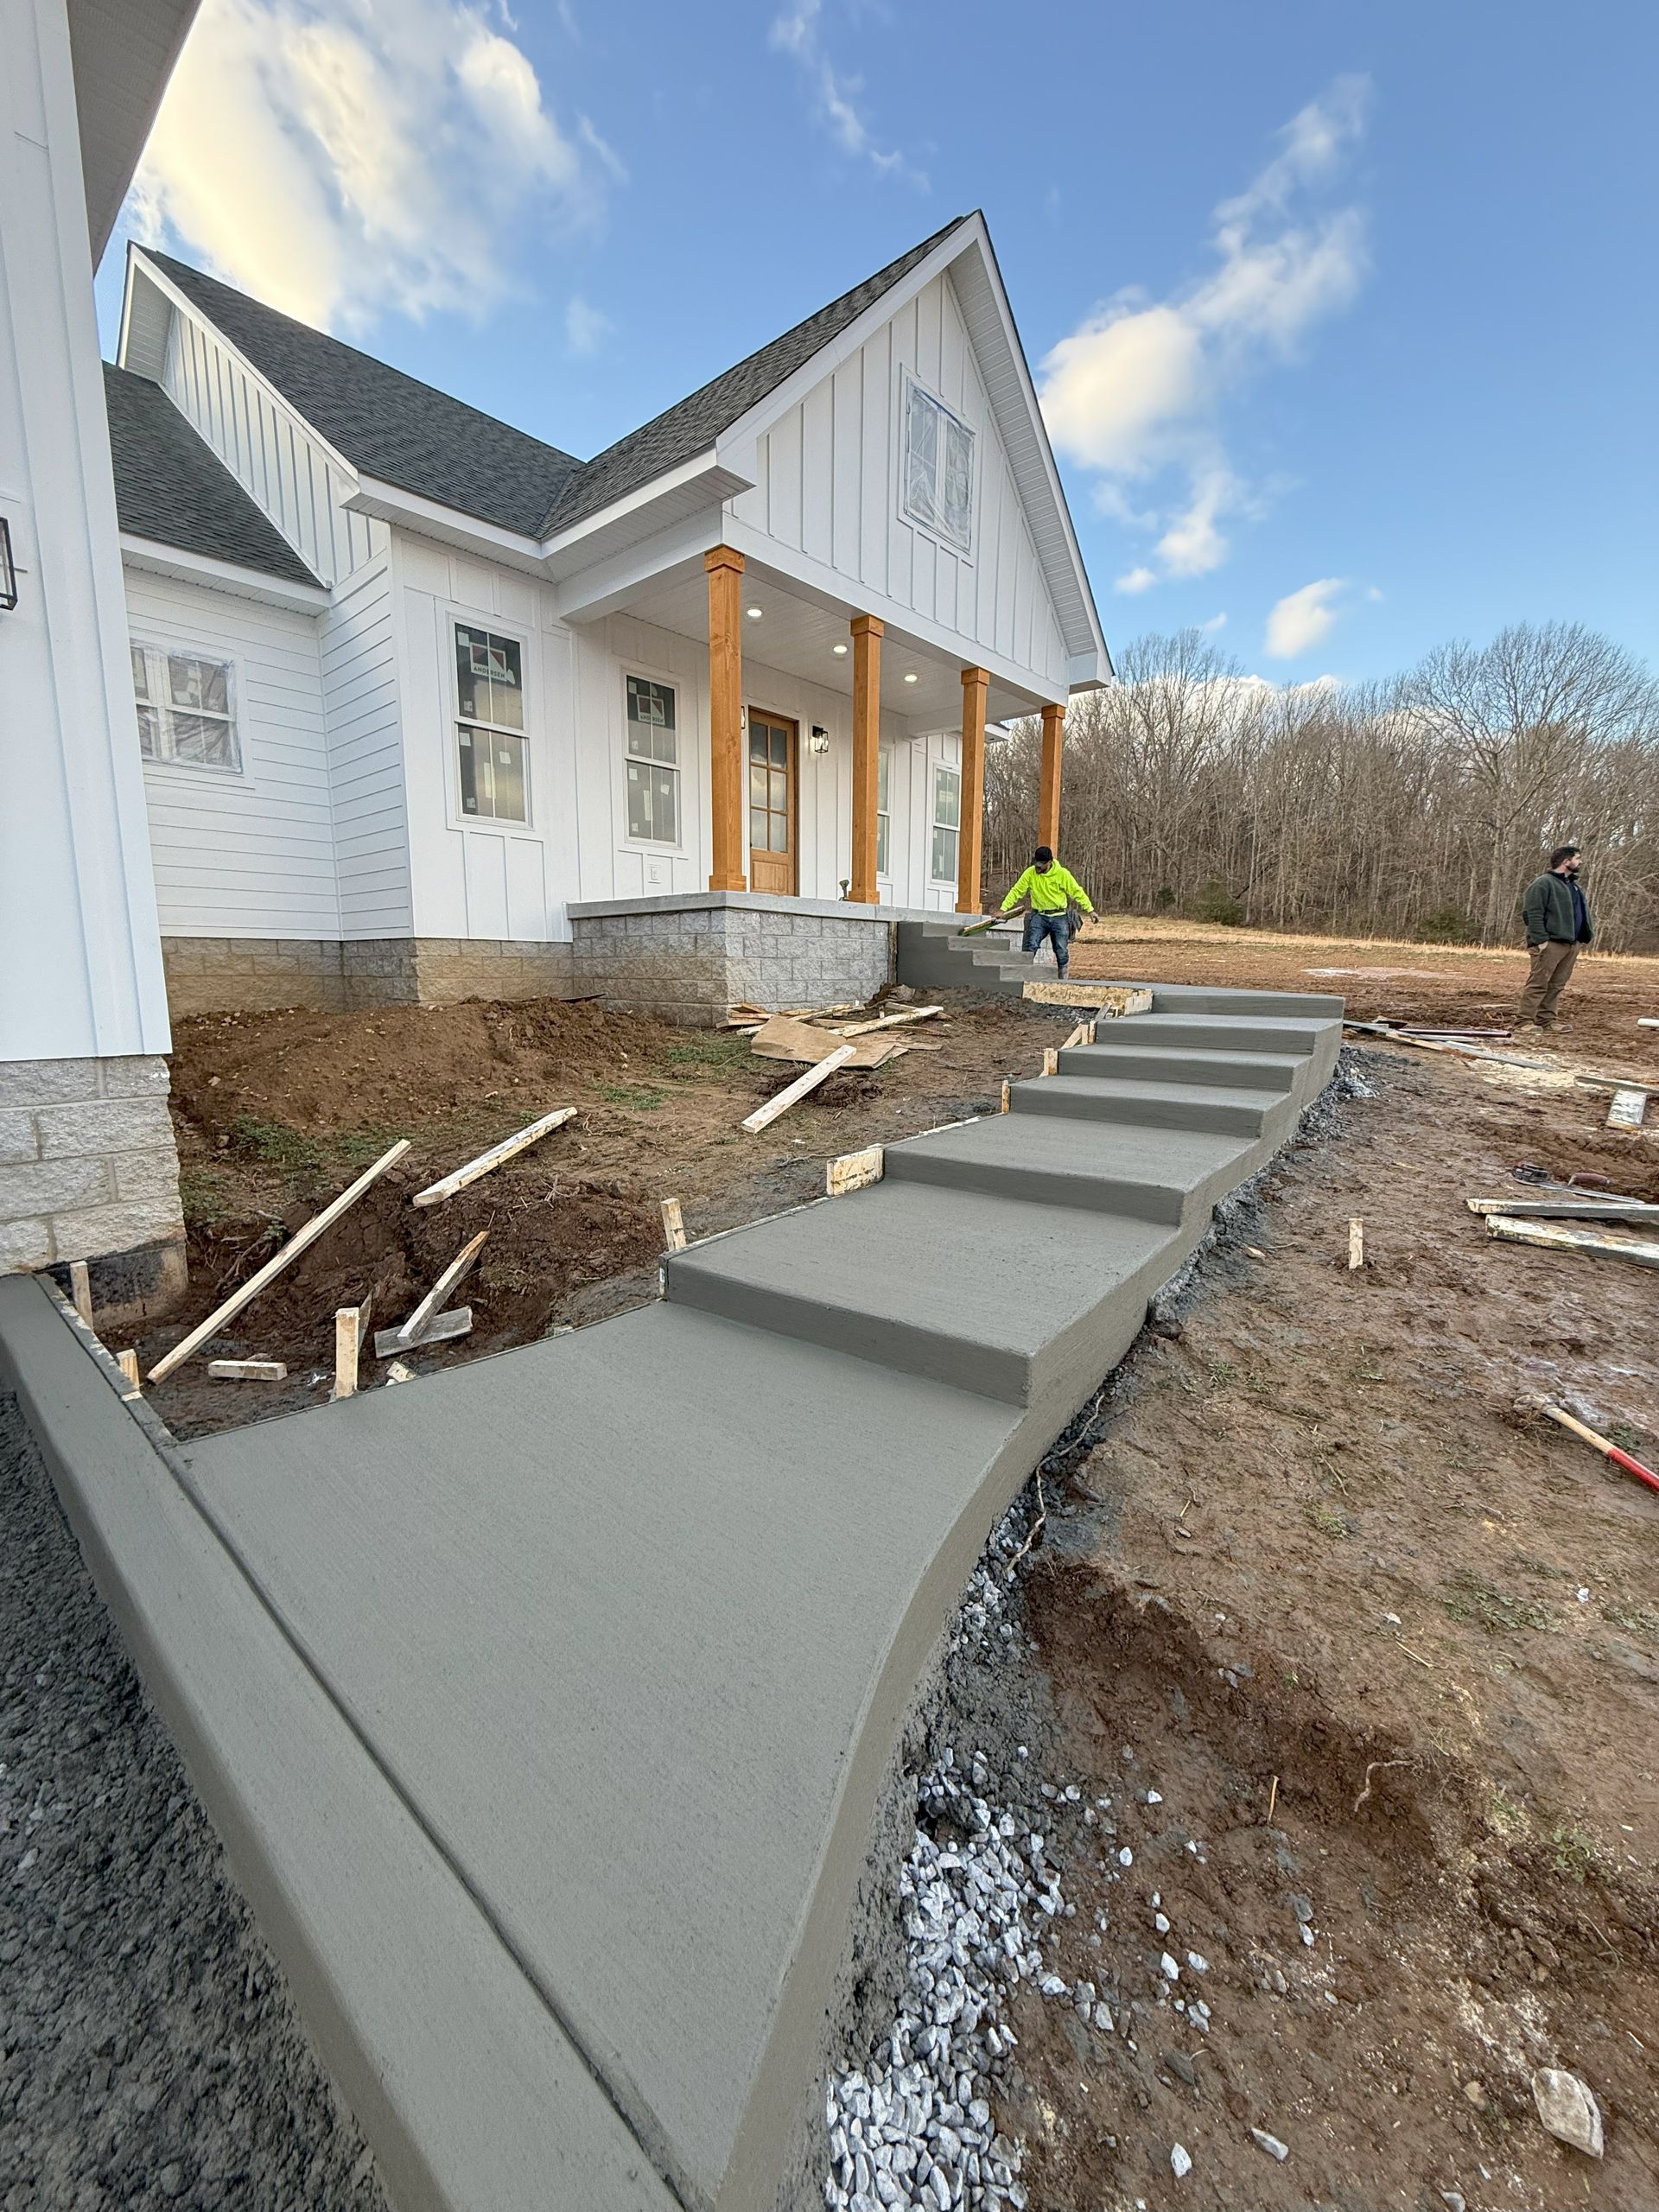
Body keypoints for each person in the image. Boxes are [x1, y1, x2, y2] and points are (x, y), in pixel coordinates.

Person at [1518, 843, 1593, 1029]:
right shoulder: (1543, 883)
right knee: (1538, 983)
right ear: (1566, 861)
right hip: (1550, 943)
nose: (1580, 861)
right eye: (1577, 858)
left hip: (1570, 944)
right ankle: (1524, 1022)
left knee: (1556, 985)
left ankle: (1546, 1021)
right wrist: (1540, 940)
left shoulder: (1573, 886)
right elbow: (1532, 912)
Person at [1001, 845, 1095, 980]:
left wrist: (1090, 910)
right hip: (1039, 915)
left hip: (1059, 916)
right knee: (1031, 945)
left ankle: (1063, 979)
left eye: (1041, 865)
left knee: (1061, 950)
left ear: (1049, 862)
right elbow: (1016, 891)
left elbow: (1077, 892)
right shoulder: (1030, 873)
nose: (1038, 868)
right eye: (1036, 865)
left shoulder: (1062, 874)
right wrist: (1003, 909)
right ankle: (1023, 978)